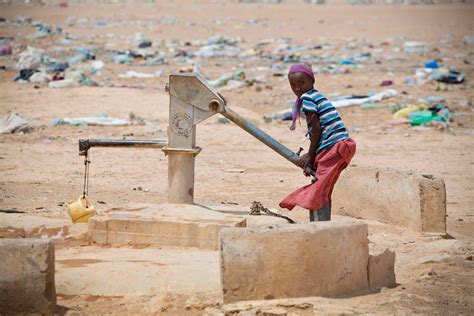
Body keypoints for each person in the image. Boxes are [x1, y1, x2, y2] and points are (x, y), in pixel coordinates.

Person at [279, 63, 356, 222]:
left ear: (311, 81)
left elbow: (316, 130)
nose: (298, 88)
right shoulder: (316, 95)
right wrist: (313, 160)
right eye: (293, 85)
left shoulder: (308, 98)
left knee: (318, 188)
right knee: (323, 187)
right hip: (341, 146)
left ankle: (318, 225)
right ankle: (322, 223)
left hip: (335, 146)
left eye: (302, 83)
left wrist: (309, 155)